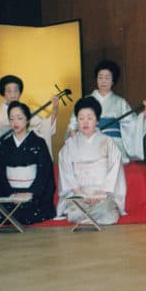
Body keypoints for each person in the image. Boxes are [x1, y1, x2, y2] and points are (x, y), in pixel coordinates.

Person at [66, 60, 146, 163]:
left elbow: (133, 124)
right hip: (89, 143)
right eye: (100, 77)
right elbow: (73, 124)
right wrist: (75, 139)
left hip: (114, 145)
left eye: (107, 78)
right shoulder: (86, 101)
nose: (103, 81)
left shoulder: (120, 102)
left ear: (113, 81)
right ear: (96, 79)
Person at [56, 96, 126, 226]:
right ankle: (88, 215)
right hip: (80, 194)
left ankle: (91, 215)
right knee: (74, 213)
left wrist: (102, 192)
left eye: (90, 118)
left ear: (97, 120)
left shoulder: (107, 141)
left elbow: (114, 169)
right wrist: (79, 193)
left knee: (106, 211)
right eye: (81, 118)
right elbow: (66, 171)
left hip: (102, 194)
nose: (85, 122)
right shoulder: (70, 144)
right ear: (77, 121)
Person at [0, 101, 56, 225]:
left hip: (33, 194)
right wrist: (11, 193)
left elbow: (44, 172)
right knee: (4, 214)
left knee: (29, 212)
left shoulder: (39, 143)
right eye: (12, 119)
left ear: (28, 119)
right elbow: (1, 173)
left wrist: (31, 192)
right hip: (11, 194)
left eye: (19, 118)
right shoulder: (5, 144)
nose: (15, 122)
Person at [0, 75, 58, 167]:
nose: (13, 95)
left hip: (23, 155)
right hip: (2, 155)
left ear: (20, 92)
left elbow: (44, 126)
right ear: (3, 93)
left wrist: (55, 108)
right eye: (9, 91)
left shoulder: (26, 110)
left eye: (16, 90)